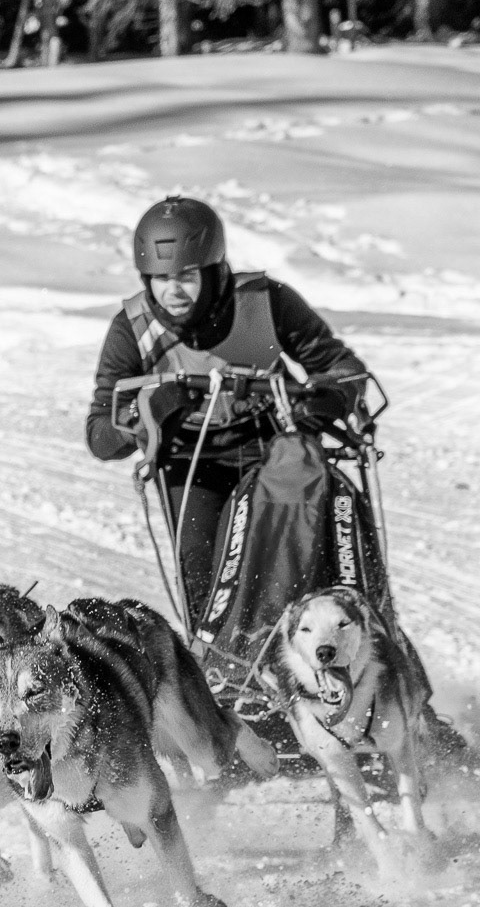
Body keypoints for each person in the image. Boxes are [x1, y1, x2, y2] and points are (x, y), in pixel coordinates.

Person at [87, 196, 367, 622]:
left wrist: (326, 401)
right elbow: (100, 436)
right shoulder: (132, 328)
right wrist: (148, 415)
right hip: (190, 464)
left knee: (297, 566)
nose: (172, 290)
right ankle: (216, 672)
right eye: (159, 278)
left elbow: (342, 369)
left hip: (274, 452)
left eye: (185, 275)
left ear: (214, 268)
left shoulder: (266, 302)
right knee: (205, 578)